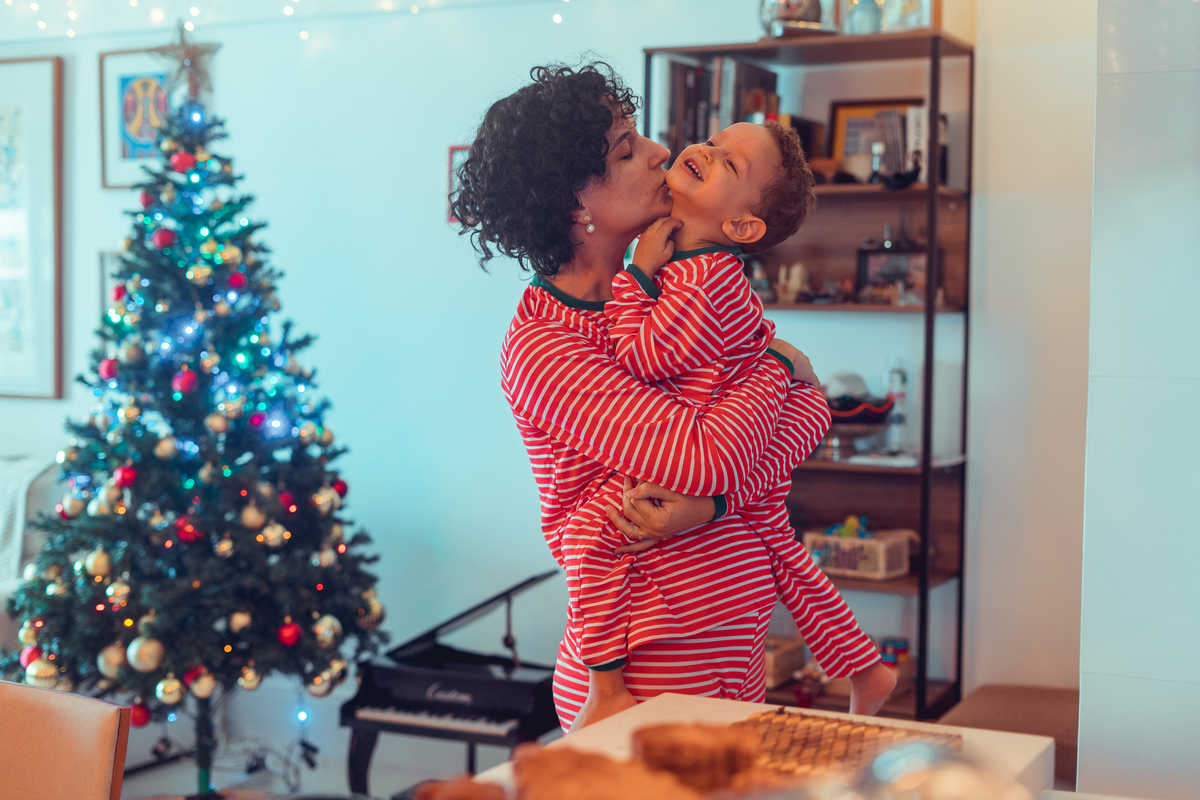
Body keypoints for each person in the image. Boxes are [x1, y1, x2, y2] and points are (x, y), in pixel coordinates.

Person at [450, 63, 895, 731]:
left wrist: (717, 503)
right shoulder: (546, 345)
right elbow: (709, 457)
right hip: (646, 665)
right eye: (626, 150)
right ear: (575, 203)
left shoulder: (683, 289)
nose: (662, 150)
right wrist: (776, 366)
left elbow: (810, 418)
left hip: (734, 647)